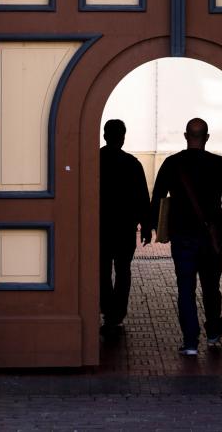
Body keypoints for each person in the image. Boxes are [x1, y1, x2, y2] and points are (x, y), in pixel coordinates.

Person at [147, 118, 222, 356]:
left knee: (185, 289)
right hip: (210, 237)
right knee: (211, 286)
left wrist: (153, 227)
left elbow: (157, 197)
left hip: (183, 236)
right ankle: (213, 331)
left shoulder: (172, 163)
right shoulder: (220, 164)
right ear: (207, 137)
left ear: (186, 136)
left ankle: (189, 342)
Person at [99, 120, 150, 334]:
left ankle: (107, 309)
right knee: (123, 270)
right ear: (123, 137)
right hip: (124, 227)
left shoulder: (94, 160)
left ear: (105, 135)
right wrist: (146, 226)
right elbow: (142, 197)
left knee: (101, 270)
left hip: (101, 227)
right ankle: (117, 313)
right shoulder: (132, 163)